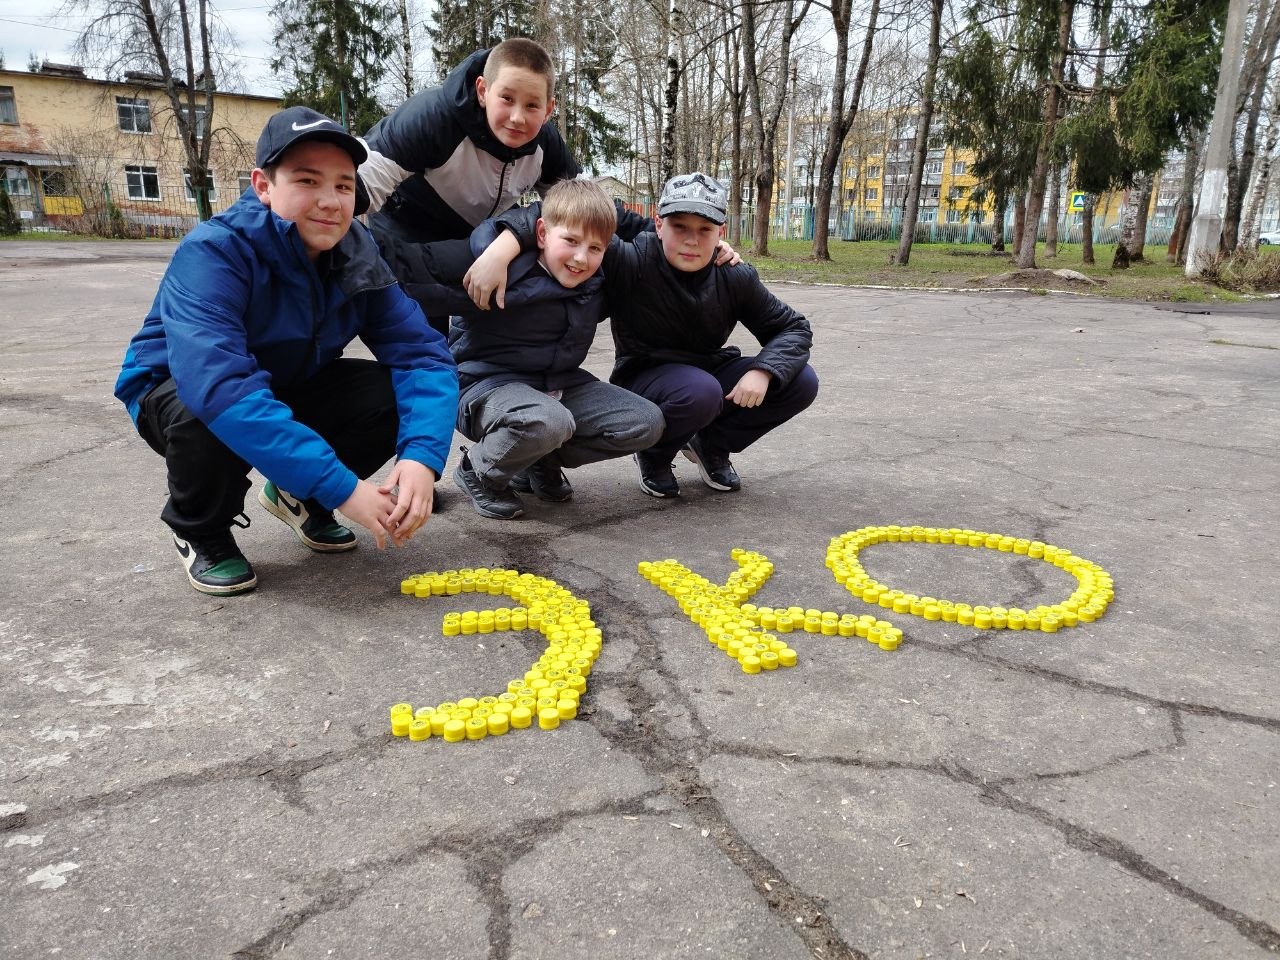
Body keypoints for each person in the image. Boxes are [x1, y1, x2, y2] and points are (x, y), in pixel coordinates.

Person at [113, 106, 459, 596]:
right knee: (207, 415)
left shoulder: (358, 254)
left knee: (388, 395)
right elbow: (220, 385)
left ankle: (300, 498)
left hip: (286, 380)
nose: (330, 201)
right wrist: (344, 488)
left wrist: (422, 457)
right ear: (263, 185)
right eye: (306, 181)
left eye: (343, 185)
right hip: (177, 390)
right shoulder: (215, 252)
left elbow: (422, 356)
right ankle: (200, 528)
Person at [469, 171, 819, 499]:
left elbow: (793, 327)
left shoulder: (734, 274)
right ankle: (655, 454)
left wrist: (763, 371)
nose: (692, 240)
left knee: (799, 380)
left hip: (707, 370)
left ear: (720, 232)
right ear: (659, 224)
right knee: (699, 391)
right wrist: (502, 248)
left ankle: (712, 445)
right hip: (646, 376)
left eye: (705, 229)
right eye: (680, 226)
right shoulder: (629, 259)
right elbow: (565, 216)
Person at [412, 179, 664, 519]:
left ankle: (533, 459)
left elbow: (661, 253)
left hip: (557, 383)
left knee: (645, 422)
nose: (581, 258)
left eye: (595, 248)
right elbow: (420, 286)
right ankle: (479, 470)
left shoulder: (599, 280)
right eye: (571, 241)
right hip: (484, 386)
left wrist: (717, 254)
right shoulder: (500, 268)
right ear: (542, 234)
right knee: (548, 421)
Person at [359, 38, 580, 337]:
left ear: (549, 109)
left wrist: (510, 242)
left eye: (532, 105)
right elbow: (359, 181)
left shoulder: (547, 144)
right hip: (409, 227)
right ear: (483, 91)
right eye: (507, 98)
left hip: (482, 235)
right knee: (423, 334)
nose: (517, 118)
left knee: (509, 301)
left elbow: (577, 211)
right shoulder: (432, 118)